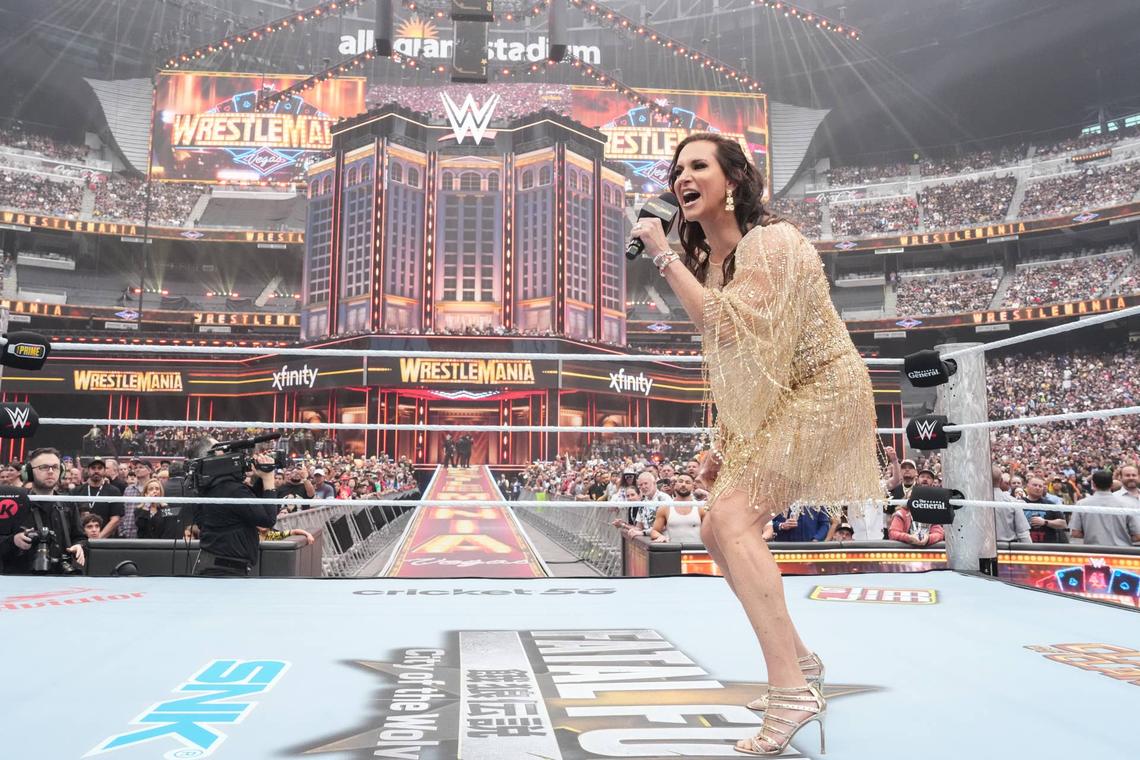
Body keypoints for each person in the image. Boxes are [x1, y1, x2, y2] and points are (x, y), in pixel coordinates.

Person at [631, 132, 882, 754]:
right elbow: (736, 361)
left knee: (734, 520)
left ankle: (792, 690)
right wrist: (726, 439)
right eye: (677, 170)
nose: (682, 177)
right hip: (777, 403)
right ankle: (804, 664)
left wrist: (662, 255)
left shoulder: (773, 241)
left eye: (698, 166)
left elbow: (726, 324)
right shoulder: (713, 262)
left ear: (733, 182)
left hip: (824, 392)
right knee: (717, 530)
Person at [189, 442, 281, 577]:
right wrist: (268, 479)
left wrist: (260, 478)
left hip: (216, 566)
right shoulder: (231, 489)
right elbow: (267, 519)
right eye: (223, 449)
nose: (229, 451)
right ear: (212, 457)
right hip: (224, 571)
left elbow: (248, 507)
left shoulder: (206, 487)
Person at [0, 448, 86, 574]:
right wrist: (13, 540)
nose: (51, 472)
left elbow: (80, 537)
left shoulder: (68, 503)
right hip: (19, 580)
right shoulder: (13, 503)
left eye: (55, 467)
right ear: (28, 472)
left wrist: (79, 546)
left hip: (61, 580)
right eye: (44, 467)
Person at [1069, 470, 1140, 547]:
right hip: (1121, 552)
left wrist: (1093, 535)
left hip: (1094, 553)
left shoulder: (1081, 504)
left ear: (1093, 484)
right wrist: (1122, 538)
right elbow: (1137, 535)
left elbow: (1075, 533)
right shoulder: (1127, 504)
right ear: (1112, 485)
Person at [648, 473, 706, 543]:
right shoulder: (665, 508)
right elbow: (654, 531)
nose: (683, 485)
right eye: (680, 481)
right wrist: (660, 536)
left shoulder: (701, 508)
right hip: (673, 551)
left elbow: (710, 532)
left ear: (693, 487)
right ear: (675, 485)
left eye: (687, 482)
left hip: (696, 551)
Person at [75, 458, 123, 538]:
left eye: (100, 468)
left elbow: (115, 519)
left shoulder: (114, 491)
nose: (96, 471)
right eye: (93, 468)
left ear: (104, 470)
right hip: (81, 540)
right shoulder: (76, 491)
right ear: (88, 470)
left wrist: (98, 538)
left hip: (106, 542)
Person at [991, 466, 1032, 543]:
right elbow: (1023, 533)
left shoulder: (972, 501)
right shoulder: (1012, 502)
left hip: (977, 550)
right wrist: (1031, 552)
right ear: (1001, 481)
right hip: (1006, 549)